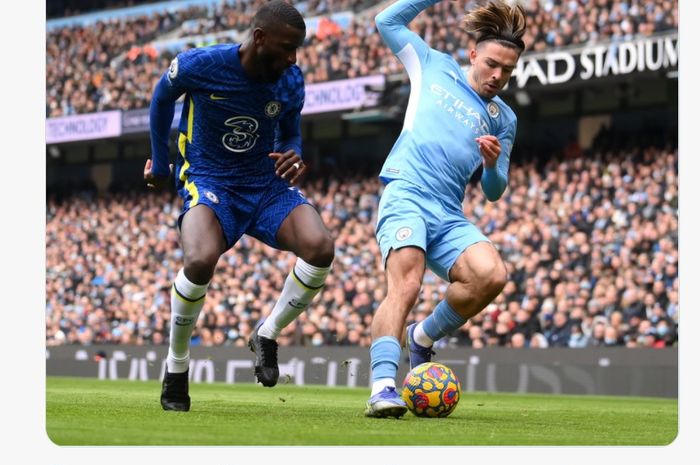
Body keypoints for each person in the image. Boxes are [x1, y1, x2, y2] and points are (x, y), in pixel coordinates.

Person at [144, 0, 335, 412]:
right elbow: (161, 99)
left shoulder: (290, 79)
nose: (293, 57)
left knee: (320, 248)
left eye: (297, 49)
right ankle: (177, 367)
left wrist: (294, 154)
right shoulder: (200, 65)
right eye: (286, 47)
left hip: (265, 185)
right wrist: (161, 163)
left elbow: (291, 134)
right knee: (199, 259)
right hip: (210, 180)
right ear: (259, 38)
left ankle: (266, 334)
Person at [365, 0, 526, 418]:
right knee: (407, 284)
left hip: (449, 211)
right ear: (472, 54)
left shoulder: (503, 119)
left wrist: (491, 165)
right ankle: (383, 385)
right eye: (492, 64)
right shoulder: (432, 65)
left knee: (491, 275)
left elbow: (494, 190)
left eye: (507, 70)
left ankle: (422, 338)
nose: (498, 76)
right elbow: (387, 20)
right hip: (407, 191)